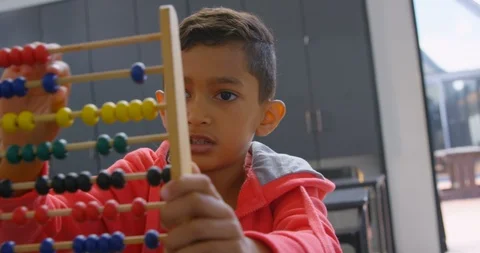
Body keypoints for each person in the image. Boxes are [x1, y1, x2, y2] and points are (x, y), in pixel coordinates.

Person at [0, 7, 342, 253]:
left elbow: (320, 244)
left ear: (267, 116)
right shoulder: (137, 179)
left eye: (225, 95)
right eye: (183, 94)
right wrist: (19, 165)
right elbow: (41, 235)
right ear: (163, 107)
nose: (196, 114)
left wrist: (246, 249)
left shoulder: (285, 186)